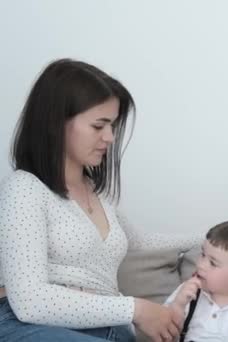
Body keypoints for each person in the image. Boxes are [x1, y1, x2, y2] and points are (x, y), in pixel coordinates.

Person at [0, 59, 198, 342]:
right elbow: (30, 301)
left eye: (113, 125)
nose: (109, 137)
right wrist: (136, 308)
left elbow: (139, 242)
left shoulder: (99, 194)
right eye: (98, 125)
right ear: (56, 123)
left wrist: (213, 235)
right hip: (28, 326)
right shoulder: (24, 188)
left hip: (107, 329)